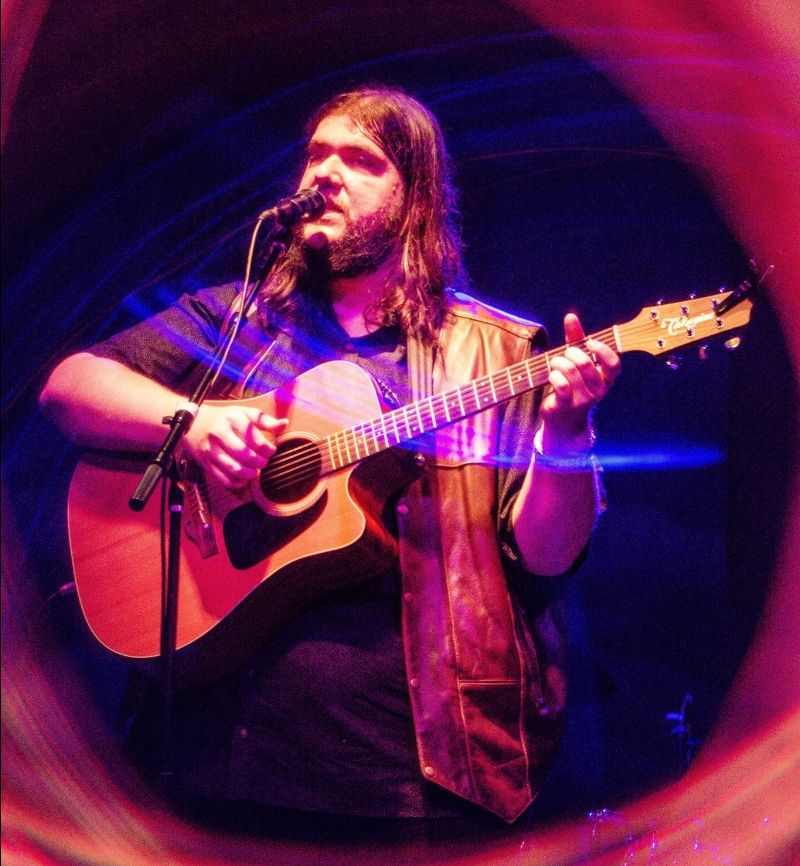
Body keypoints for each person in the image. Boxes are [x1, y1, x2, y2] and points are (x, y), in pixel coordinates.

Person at [39, 85, 620, 841]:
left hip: (396, 782)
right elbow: (68, 386)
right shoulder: (234, 319)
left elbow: (546, 558)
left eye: (360, 159)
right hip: (199, 761)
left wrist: (568, 429)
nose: (326, 174)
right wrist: (190, 422)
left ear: (413, 199)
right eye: (316, 154)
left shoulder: (497, 354)